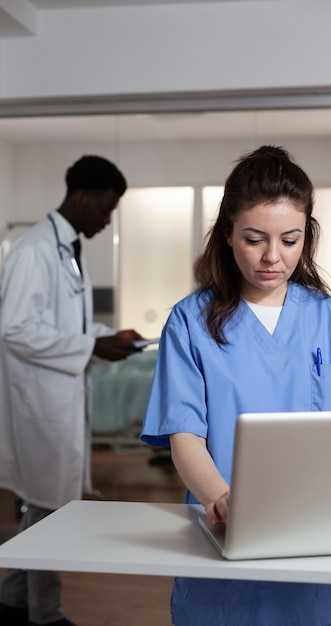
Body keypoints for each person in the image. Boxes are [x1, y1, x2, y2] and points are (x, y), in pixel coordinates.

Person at [140, 145, 331, 626]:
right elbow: (184, 436)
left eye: (290, 240)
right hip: (225, 540)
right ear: (227, 234)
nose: (273, 257)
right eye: (254, 239)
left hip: (321, 545)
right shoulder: (190, 322)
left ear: (306, 237)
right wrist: (222, 498)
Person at [0, 155, 143, 626]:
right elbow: (16, 329)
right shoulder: (33, 250)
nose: (107, 219)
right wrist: (90, 344)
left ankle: (13, 598)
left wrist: (107, 338)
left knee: (47, 505)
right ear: (80, 197)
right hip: (40, 404)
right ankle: (47, 614)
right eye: (104, 208)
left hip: (60, 398)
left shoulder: (66, 249)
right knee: (48, 510)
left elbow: (65, 325)